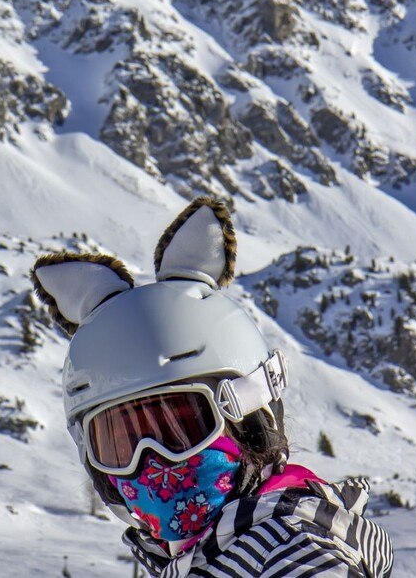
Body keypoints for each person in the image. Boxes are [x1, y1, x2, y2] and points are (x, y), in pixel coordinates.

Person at [32, 197, 394, 577]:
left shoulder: (289, 551)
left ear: (252, 422)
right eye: (119, 444)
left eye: (181, 428)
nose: (153, 462)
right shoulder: (216, 556)